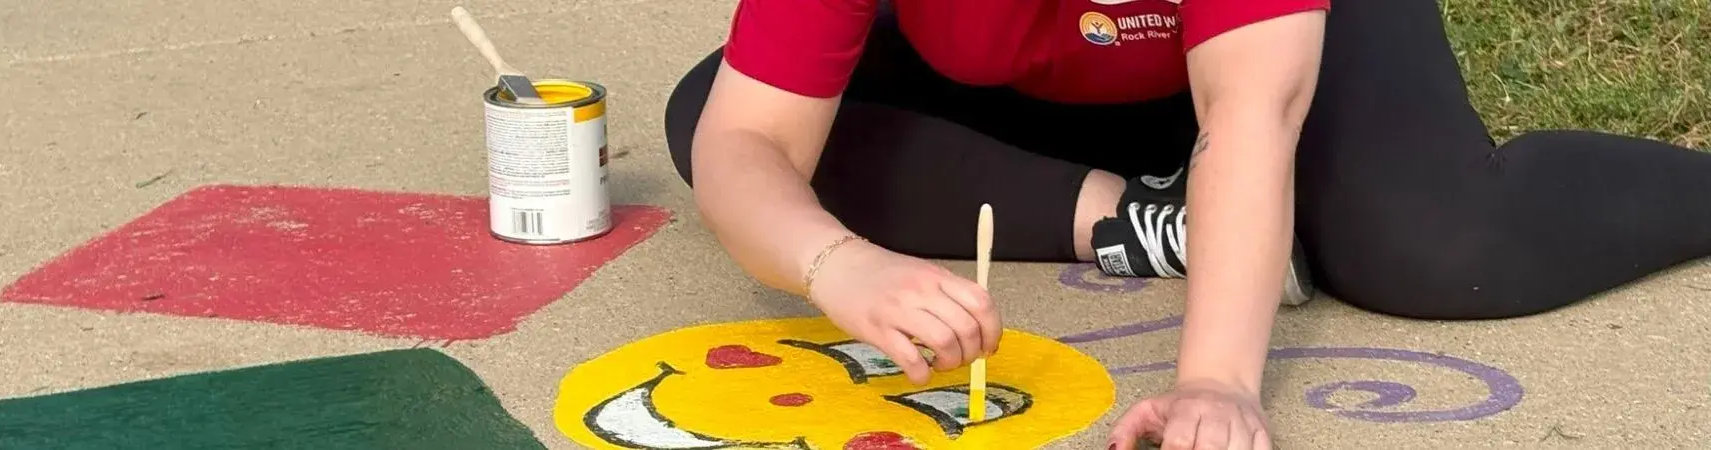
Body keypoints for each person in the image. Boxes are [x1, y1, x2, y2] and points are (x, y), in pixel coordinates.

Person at [662, 0, 1711, 447]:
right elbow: (747, 138)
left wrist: (1214, 380)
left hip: (1270, 54)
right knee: (712, 118)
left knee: (1438, 248)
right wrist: (835, 264)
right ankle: (1140, 216)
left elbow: (1250, 117)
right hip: (1027, 72)